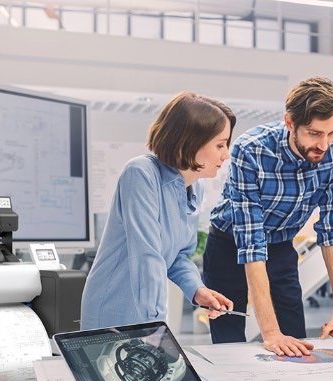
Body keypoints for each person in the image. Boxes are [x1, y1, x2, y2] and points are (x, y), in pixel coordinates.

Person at [204, 77, 333, 358]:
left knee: (295, 337)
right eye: (314, 133)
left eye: (332, 132)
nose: (324, 144)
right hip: (229, 244)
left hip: (281, 245)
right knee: (229, 342)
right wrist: (270, 333)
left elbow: (331, 227)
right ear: (290, 123)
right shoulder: (251, 149)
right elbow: (251, 242)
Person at [80, 92, 236, 330]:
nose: (226, 154)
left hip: (148, 310)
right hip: (113, 308)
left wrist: (197, 289)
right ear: (191, 142)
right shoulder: (141, 174)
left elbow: (178, 256)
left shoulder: (195, 186)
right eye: (220, 145)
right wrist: (157, 327)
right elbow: (148, 257)